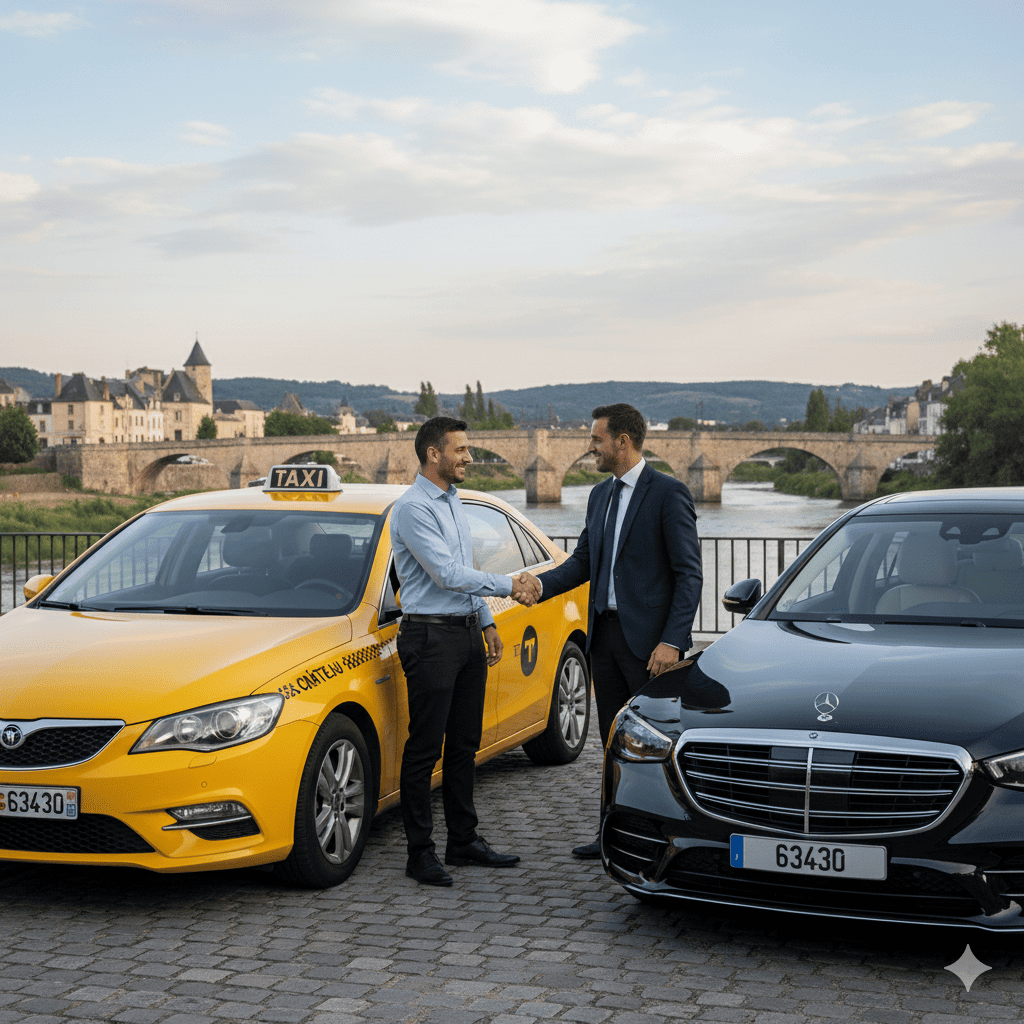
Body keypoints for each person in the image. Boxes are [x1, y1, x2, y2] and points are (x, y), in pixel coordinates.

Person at [526, 403, 702, 858]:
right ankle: (613, 832)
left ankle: (664, 837)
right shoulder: (599, 496)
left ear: (622, 441)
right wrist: (539, 585)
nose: (591, 448)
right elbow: (584, 562)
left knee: (657, 744)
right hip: (603, 639)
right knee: (611, 741)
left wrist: (672, 640)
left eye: (596, 440)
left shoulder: (668, 493)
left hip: (650, 647)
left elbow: (689, 575)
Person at [391, 416, 538, 886]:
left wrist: (488, 620)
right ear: (434, 454)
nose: (470, 457)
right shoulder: (413, 508)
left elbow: (466, 567)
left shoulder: (453, 501)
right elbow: (448, 574)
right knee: (423, 748)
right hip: (429, 638)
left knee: (463, 745)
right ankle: (420, 853)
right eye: (462, 450)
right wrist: (510, 586)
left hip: (464, 633)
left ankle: (463, 841)